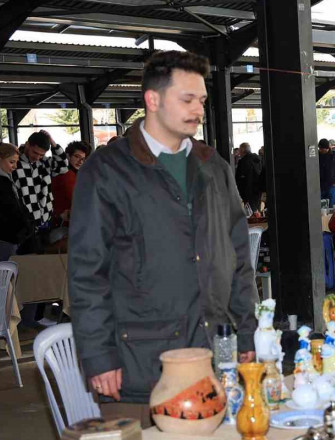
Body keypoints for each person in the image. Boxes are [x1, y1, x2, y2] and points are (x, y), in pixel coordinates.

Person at [69, 50, 258, 427]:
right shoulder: (107, 170)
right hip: (140, 362)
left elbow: (237, 257)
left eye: (201, 100)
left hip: (212, 354)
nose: (198, 109)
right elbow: (87, 272)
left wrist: (247, 333)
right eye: (186, 99)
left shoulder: (213, 166)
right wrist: (99, 356)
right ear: (152, 100)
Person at [0, 142, 33, 264]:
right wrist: (25, 225)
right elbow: (10, 209)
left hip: (0, 236)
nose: (15, 166)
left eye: (15, 162)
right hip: (3, 237)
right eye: (11, 162)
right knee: (4, 274)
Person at [14, 130, 69, 237]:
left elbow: (63, 166)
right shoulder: (15, 164)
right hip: (25, 223)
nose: (37, 157)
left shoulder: (44, 162)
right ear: (27, 144)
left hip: (45, 220)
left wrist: (52, 141)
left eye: (41, 154)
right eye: (35, 152)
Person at [51, 141, 92, 224]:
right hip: (62, 223)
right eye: (77, 156)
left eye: (83, 159)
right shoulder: (62, 174)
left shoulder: (79, 175)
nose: (80, 161)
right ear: (68, 156)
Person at [235, 142, 263, 213]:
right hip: (258, 191)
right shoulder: (258, 159)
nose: (239, 153)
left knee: (250, 213)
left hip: (247, 192)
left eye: (240, 150)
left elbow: (239, 179)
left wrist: (241, 194)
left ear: (242, 150)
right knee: (257, 212)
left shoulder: (243, 162)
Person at [318, 138, 335, 207]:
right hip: (319, 186)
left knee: (332, 207)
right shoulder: (317, 155)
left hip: (332, 185)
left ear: (326, 148)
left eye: (321, 149)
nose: (320, 150)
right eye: (319, 148)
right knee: (321, 207)